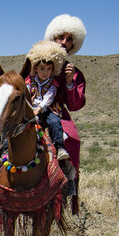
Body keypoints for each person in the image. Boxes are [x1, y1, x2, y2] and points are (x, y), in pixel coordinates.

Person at [41, 14, 88, 208]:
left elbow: (76, 105)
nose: (64, 42)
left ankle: (68, 181)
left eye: (69, 39)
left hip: (58, 113)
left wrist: (69, 82)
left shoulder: (73, 71)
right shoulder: (38, 61)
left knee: (73, 139)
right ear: (53, 37)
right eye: (61, 37)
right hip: (34, 109)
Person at [24, 39, 77, 189]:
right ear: (35, 68)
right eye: (42, 69)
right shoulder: (28, 82)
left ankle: (60, 149)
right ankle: (4, 153)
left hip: (46, 110)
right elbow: (26, 95)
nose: (45, 72)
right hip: (30, 109)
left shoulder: (53, 84)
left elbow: (49, 98)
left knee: (54, 122)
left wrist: (38, 109)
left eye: (48, 69)